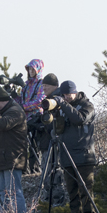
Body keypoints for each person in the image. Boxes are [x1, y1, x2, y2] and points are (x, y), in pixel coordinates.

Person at [52, 80, 96, 213]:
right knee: (72, 191)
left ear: (75, 92)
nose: (66, 97)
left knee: (86, 190)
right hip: (66, 154)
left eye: (68, 94)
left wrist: (63, 105)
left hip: (84, 155)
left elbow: (80, 119)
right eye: (63, 95)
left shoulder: (87, 106)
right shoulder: (62, 108)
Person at [37, 73, 67, 205]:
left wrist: (44, 125)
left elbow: (57, 124)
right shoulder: (48, 100)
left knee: (54, 173)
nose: (43, 88)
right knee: (47, 174)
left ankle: (56, 202)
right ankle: (48, 203)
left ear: (54, 86)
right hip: (47, 142)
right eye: (42, 85)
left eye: (46, 85)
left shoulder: (57, 100)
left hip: (55, 143)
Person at [15, 59, 45, 174]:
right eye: (29, 69)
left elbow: (39, 101)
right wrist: (14, 96)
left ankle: (35, 170)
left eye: (33, 69)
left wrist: (24, 107)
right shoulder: (26, 84)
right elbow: (21, 101)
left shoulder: (41, 83)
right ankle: (24, 170)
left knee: (35, 146)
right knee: (23, 146)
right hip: (25, 120)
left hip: (37, 118)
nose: (31, 71)